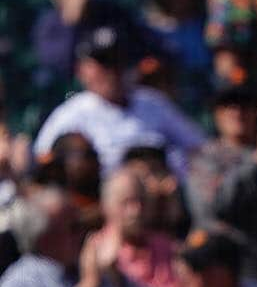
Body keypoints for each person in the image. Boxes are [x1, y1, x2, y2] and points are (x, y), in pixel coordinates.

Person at [0, 186, 161, 287]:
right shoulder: (19, 280)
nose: (83, 234)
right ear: (45, 238)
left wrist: (119, 281)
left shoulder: (88, 269)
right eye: (74, 227)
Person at [33, 25, 207, 178]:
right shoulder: (72, 114)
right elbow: (42, 159)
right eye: (103, 63)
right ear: (82, 70)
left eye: (118, 62)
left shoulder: (152, 102)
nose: (112, 71)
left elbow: (199, 147)